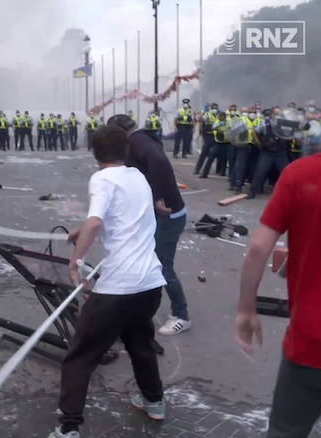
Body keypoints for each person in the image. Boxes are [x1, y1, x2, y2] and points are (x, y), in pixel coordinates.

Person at [235, 87, 321, 438]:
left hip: (313, 343)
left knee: (286, 431)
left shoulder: (301, 174)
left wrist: (246, 310)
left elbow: (257, 249)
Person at [48, 125, 167, 438]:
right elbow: (116, 218)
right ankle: (154, 401)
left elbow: (98, 220)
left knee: (80, 355)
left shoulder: (101, 179)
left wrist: (75, 261)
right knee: (140, 342)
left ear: (94, 152)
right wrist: (83, 229)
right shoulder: (137, 177)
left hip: (117, 289)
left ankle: (68, 427)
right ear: (125, 151)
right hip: (150, 284)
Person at [110, 114, 191, 336]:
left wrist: (158, 197)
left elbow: (159, 162)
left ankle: (182, 315)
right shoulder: (141, 139)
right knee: (144, 260)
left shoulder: (138, 142)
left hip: (169, 216)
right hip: (159, 216)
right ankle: (136, 309)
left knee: (162, 265)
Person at [247, 107, 292, 199]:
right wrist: (258, 143)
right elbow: (254, 131)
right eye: (276, 114)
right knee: (260, 171)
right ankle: (252, 191)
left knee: (287, 172)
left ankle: (291, 193)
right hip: (268, 152)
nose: (277, 116)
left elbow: (294, 129)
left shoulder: (284, 123)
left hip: (280, 152)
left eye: (279, 114)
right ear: (271, 114)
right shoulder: (265, 123)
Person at [230, 107, 254, 193]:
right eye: (245, 112)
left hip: (246, 145)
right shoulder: (243, 120)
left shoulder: (245, 120)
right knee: (241, 166)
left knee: (239, 165)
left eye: (247, 112)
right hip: (243, 145)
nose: (247, 113)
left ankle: (233, 183)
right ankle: (238, 186)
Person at [200, 111, 231, 179]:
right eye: (219, 117)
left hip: (227, 143)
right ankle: (205, 173)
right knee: (210, 158)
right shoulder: (217, 122)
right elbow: (213, 128)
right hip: (218, 143)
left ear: (224, 117)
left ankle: (229, 176)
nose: (219, 118)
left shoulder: (229, 122)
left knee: (228, 159)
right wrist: (219, 125)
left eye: (221, 117)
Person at [194, 103, 219, 175]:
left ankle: (218, 170)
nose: (214, 110)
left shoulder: (219, 116)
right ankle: (197, 169)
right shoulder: (207, 114)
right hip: (208, 135)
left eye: (216, 108)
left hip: (216, 136)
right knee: (204, 153)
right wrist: (203, 112)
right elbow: (200, 120)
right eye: (213, 108)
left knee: (216, 154)